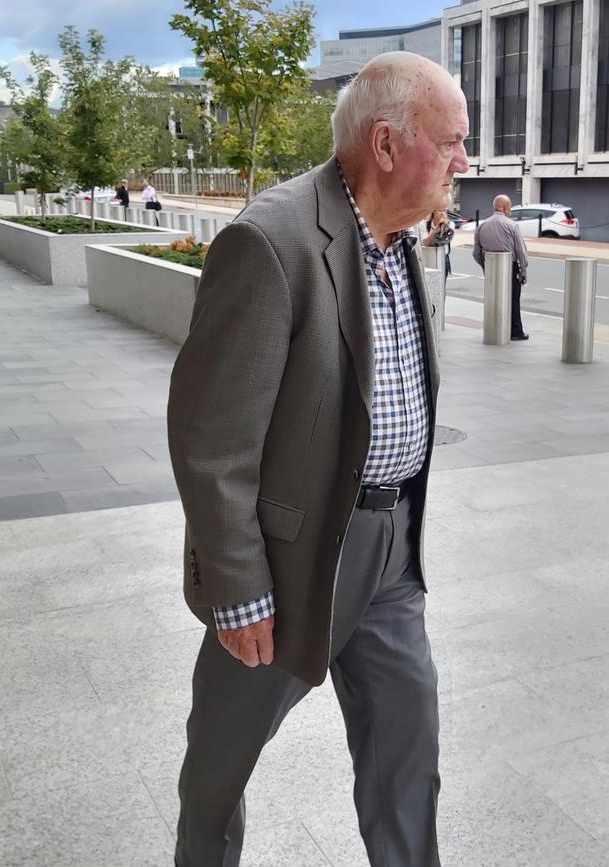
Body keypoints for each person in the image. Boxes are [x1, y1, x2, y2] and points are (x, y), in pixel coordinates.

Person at [167, 51, 469, 867]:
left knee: (408, 754)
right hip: (290, 561)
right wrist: (237, 590)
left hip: (391, 548)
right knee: (219, 770)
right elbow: (210, 438)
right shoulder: (270, 241)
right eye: (451, 142)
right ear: (384, 145)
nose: (464, 162)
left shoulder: (400, 236)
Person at [473, 194, 530, 340]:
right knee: (513, 300)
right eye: (510, 206)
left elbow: (476, 253)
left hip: (491, 267)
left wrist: (485, 267)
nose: (510, 209)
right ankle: (516, 332)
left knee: (494, 299)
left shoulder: (482, 226)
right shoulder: (512, 225)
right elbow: (521, 252)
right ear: (505, 208)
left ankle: (495, 329)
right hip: (510, 267)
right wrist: (523, 270)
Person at [421, 207, 455, 277]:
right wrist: (436, 228)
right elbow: (425, 243)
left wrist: (444, 227)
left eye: (444, 211)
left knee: (441, 283)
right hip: (428, 257)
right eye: (440, 211)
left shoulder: (450, 224)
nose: (442, 213)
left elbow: (442, 242)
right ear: (433, 211)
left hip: (443, 257)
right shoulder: (425, 224)